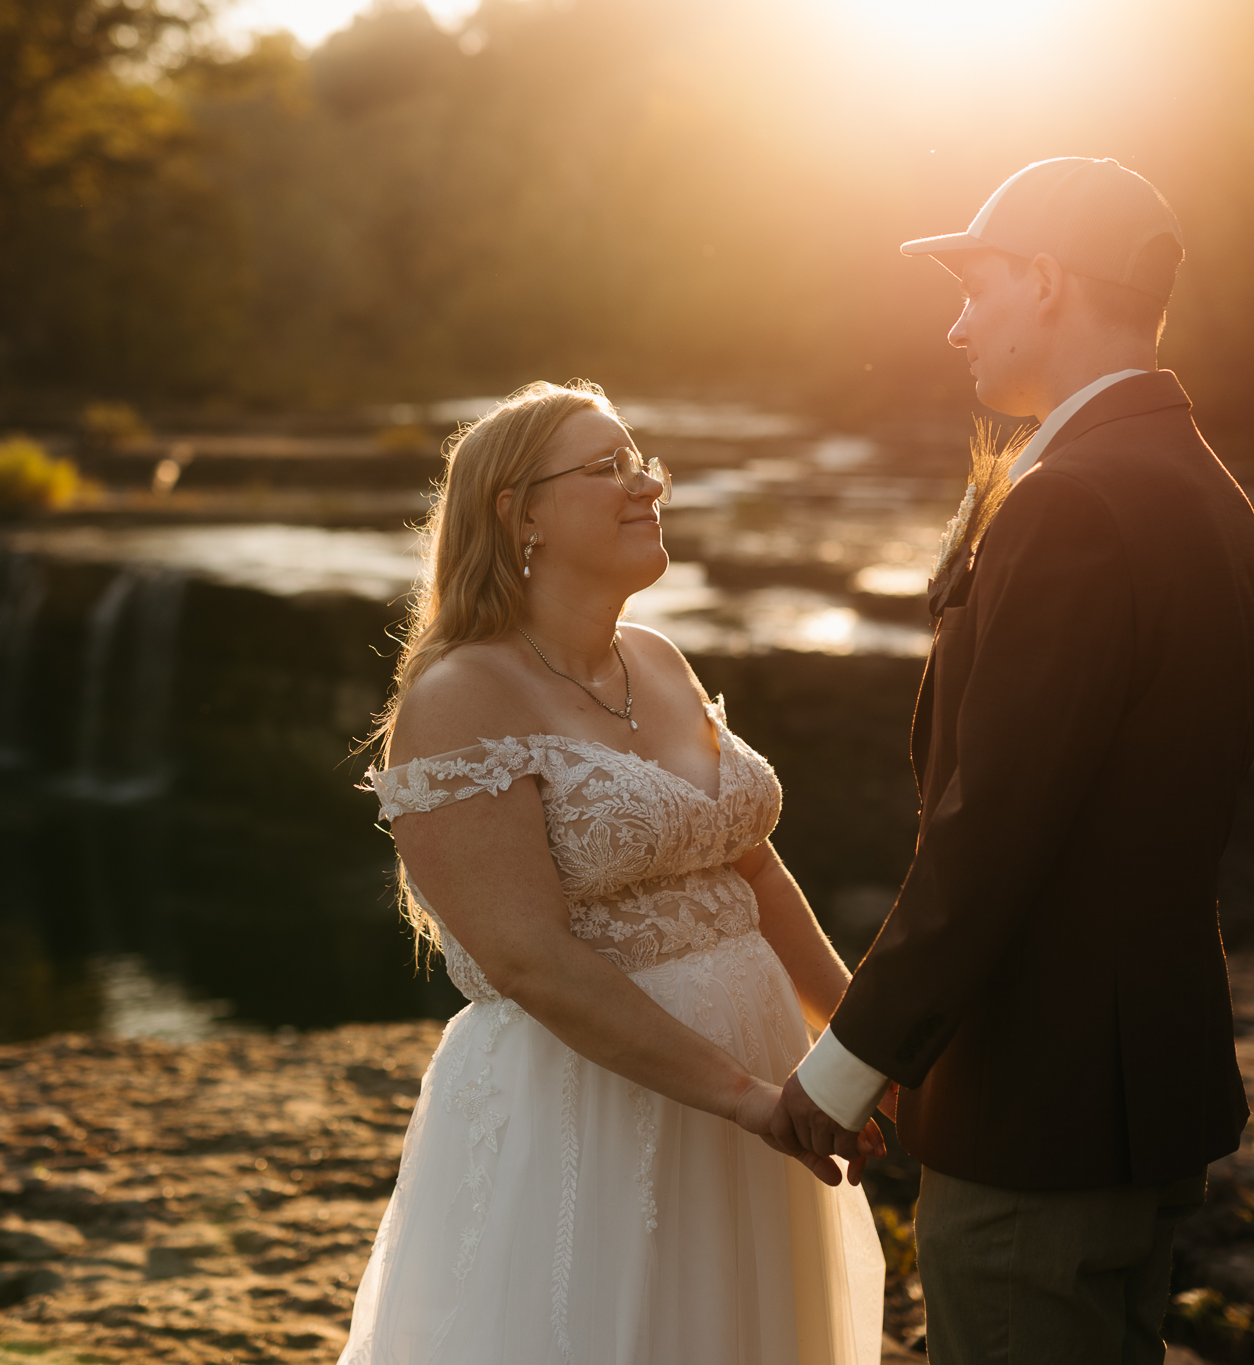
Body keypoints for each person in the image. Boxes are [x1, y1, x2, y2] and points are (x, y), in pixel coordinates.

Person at [766, 157, 1254, 1363]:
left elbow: (987, 835)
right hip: (1147, 1087)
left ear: (1046, 281)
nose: (955, 323)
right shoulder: (1206, 492)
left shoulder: (1071, 502)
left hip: (1035, 1112)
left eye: (976, 284)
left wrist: (850, 1064)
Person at [337, 380, 885, 1364]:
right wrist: (740, 1098)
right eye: (606, 468)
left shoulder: (660, 659)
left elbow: (750, 869)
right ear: (519, 513)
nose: (646, 486)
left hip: (762, 1093)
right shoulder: (462, 694)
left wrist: (856, 1042)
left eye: (642, 463)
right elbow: (530, 961)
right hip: (594, 1114)